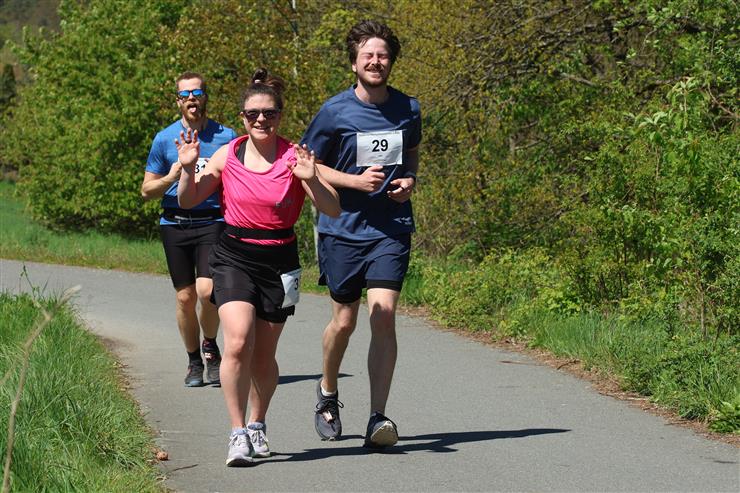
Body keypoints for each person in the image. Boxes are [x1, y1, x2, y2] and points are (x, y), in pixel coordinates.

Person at [176, 68, 340, 467]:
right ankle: (236, 433)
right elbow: (188, 200)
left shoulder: (295, 157)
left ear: (280, 115)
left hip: (280, 260)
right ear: (243, 117)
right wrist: (187, 168)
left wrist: (312, 178)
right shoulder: (227, 154)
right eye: (253, 114)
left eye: (269, 113)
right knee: (237, 343)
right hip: (233, 255)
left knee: (264, 357)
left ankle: (257, 423)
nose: (261, 120)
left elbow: (333, 208)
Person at [301, 20, 421, 449]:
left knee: (383, 314)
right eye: (368, 55)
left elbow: (411, 154)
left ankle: (377, 417)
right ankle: (327, 391)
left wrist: (409, 181)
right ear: (354, 62)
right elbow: (306, 163)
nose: (376, 61)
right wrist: (353, 182)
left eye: (383, 55)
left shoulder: (409, 108)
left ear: (392, 62)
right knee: (345, 321)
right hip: (343, 228)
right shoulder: (334, 111)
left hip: (390, 227)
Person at [141, 72, 236, 387]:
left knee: (207, 292)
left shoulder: (226, 136)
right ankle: (194, 360)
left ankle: (210, 346)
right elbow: (146, 190)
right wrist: (172, 176)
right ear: (178, 101)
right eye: (185, 95)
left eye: (197, 92)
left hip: (213, 222)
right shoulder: (164, 138)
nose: (191, 99)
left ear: (205, 96)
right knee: (185, 297)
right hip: (175, 223)